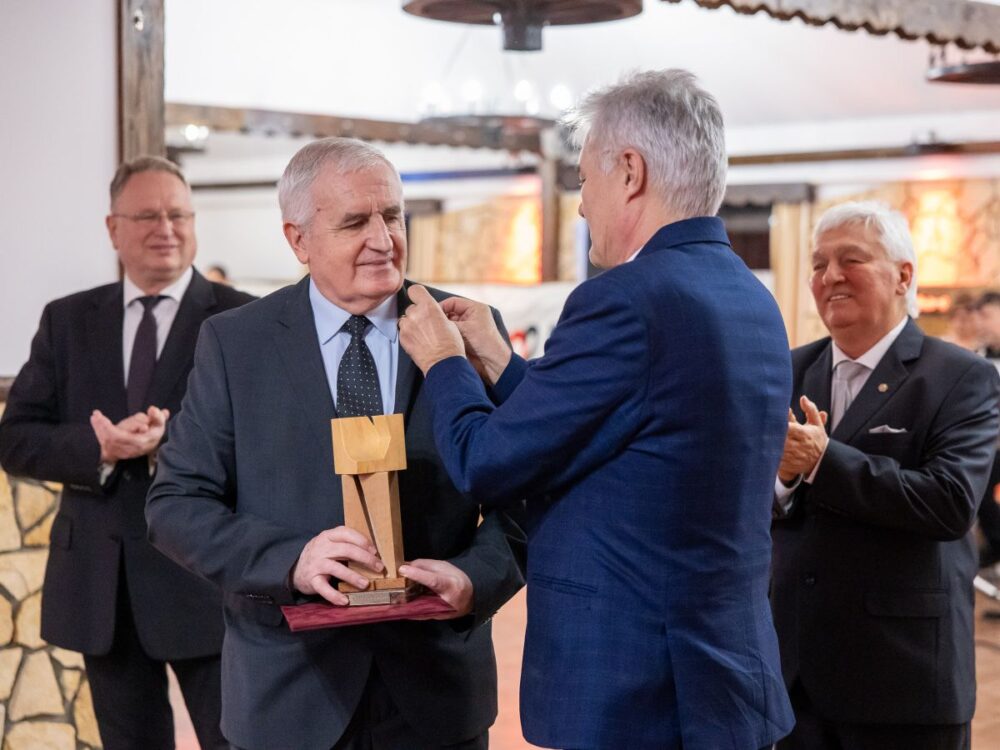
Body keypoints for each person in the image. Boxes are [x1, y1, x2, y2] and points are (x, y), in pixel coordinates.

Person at [398, 69, 794, 750]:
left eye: (584, 180)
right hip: (723, 675)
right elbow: (612, 428)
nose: (581, 206)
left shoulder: (626, 299)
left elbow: (485, 461)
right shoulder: (748, 295)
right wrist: (499, 362)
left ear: (630, 172)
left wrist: (445, 363)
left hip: (639, 687)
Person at [145, 137, 525, 750]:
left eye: (392, 215)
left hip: (436, 694)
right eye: (354, 222)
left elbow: (530, 493)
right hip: (288, 696)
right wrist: (291, 560)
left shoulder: (466, 328)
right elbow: (175, 506)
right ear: (298, 240)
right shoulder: (235, 344)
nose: (383, 239)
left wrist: (475, 577)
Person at [0, 156, 253, 749]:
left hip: (208, 581)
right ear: (113, 228)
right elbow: (16, 438)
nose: (165, 228)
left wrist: (174, 442)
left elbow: (269, 437)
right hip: (104, 590)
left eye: (178, 215)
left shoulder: (243, 317)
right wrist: (99, 448)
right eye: (147, 216)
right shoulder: (66, 320)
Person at [770, 201, 999, 750]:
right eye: (818, 264)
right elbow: (753, 503)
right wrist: (782, 481)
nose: (830, 276)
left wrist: (823, 461)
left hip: (903, 678)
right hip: (795, 677)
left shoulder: (961, 377)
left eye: (851, 259)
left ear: (903, 275)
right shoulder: (787, 370)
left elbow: (949, 504)